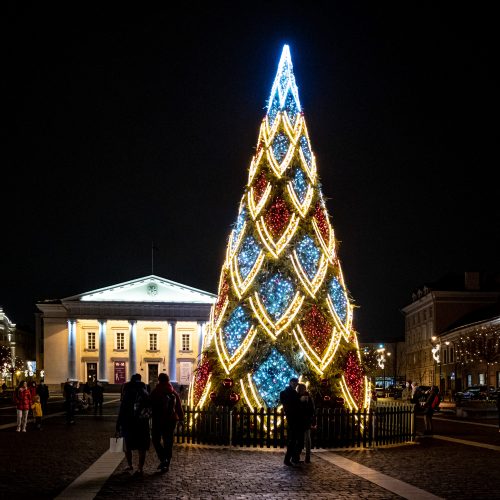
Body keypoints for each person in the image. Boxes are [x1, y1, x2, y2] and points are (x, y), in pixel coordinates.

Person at [116, 374, 151, 476]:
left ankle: (130, 465)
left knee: (127, 445)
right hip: (142, 424)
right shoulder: (145, 392)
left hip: (128, 422)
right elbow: (150, 408)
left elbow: (122, 410)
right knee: (142, 447)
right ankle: (140, 468)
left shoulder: (127, 391)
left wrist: (118, 424)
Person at [150, 373, 184, 472]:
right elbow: (179, 407)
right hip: (171, 420)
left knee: (156, 440)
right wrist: (181, 418)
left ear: (159, 380)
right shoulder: (173, 392)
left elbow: (150, 404)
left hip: (158, 420)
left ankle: (163, 458)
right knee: (168, 441)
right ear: (168, 380)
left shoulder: (156, 391)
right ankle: (167, 463)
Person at [279, 377, 302, 466]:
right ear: (290, 383)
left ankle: (293, 458)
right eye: (293, 382)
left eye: (296, 383)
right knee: (292, 440)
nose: (295, 384)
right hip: (292, 418)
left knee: (294, 439)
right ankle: (288, 459)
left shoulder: (295, 393)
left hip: (294, 418)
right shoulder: (286, 393)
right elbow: (287, 404)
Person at [296, 383, 315, 464]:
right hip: (300, 421)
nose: (301, 390)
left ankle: (307, 457)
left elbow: (312, 410)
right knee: (300, 439)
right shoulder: (297, 397)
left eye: (302, 389)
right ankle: (297, 456)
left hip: (305, 420)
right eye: (300, 389)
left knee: (307, 439)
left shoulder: (308, 398)